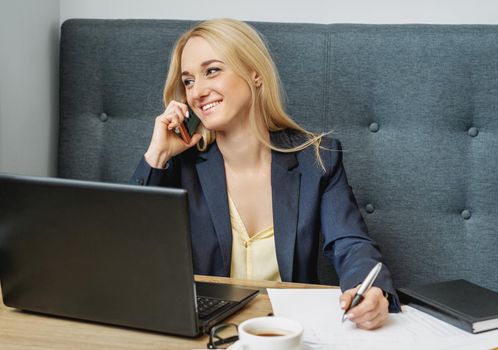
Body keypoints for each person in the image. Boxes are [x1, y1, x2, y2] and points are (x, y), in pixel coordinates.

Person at [131, 18, 401, 330]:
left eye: (212, 70)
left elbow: (351, 244)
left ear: (255, 74)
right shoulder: (179, 165)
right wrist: (158, 155)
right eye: (188, 81)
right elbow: (128, 254)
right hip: (204, 336)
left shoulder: (317, 158)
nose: (198, 92)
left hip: (287, 334)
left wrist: (372, 291)